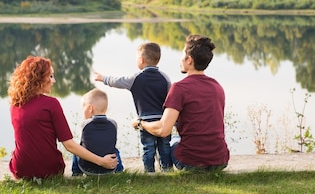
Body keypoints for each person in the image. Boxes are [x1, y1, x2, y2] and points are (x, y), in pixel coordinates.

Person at [8, 55, 118, 180]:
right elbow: (69, 145)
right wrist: (101, 161)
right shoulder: (51, 104)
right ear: (38, 78)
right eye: (50, 76)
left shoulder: (15, 105)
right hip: (49, 170)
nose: (54, 81)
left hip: (21, 170)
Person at [131, 35, 229, 171]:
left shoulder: (179, 88)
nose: (180, 59)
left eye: (182, 55)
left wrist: (140, 123)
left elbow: (163, 130)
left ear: (189, 60)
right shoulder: (217, 87)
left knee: (172, 140)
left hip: (190, 162)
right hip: (220, 160)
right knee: (180, 135)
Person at [94, 42, 172, 172]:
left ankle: (149, 172)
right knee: (165, 147)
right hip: (163, 121)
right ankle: (167, 170)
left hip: (145, 121)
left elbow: (118, 81)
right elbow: (171, 100)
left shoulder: (136, 78)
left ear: (141, 60)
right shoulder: (165, 78)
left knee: (148, 148)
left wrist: (103, 78)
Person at [71, 88, 124, 176]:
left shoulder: (84, 124)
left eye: (83, 108)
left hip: (88, 168)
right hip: (109, 168)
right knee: (115, 150)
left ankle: (76, 173)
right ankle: (119, 170)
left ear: (90, 108)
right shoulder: (113, 123)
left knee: (78, 149)